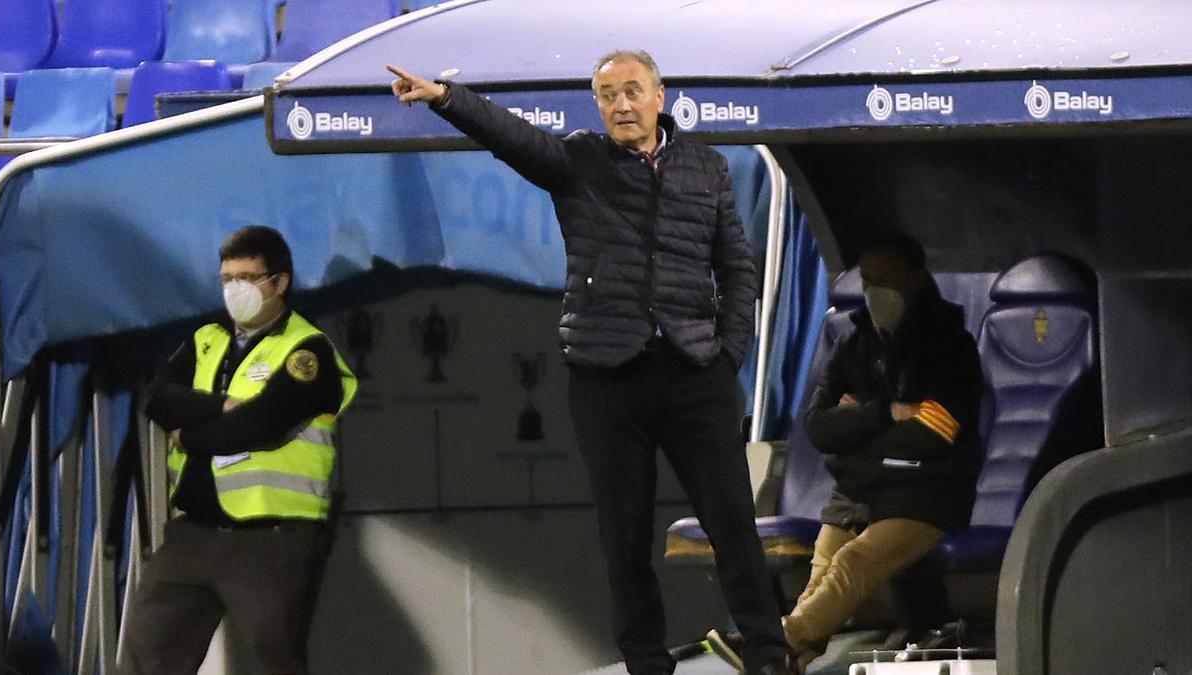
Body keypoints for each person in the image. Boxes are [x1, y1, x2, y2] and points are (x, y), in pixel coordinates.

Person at [387, 50, 790, 675]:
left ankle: (768, 656)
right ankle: (646, 663)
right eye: (607, 95)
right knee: (623, 538)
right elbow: (511, 136)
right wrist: (446, 97)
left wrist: (727, 353)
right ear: (596, 105)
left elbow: (736, 268)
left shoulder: (707, 166)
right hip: (607, 376)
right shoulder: (578, 161)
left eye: (632, 91)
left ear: (661, 95)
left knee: (733, 523)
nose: (621, 105)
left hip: (694, 373)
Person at [124, 226, 357, 675]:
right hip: (193, 532)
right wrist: (220, 406)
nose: (235, 290)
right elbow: (156, 399)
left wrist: (189, 435)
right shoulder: (206, 340)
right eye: (227, 278)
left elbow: (258, 426)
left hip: (271, 540)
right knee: (147, 649)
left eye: (247, 278)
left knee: (275, 658)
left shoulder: (306, 352)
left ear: (279, 283)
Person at [782, 233, 983, 672]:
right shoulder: (853, 342)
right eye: (868, 280)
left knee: (851, 562)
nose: (875, 292)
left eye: (886, 279)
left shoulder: (950, 346)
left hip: (926, 498)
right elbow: (818, 428)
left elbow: (937, 431)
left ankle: (779, 642)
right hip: (858, 495)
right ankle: (789, 657)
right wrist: (888, 413)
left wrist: (854, 433)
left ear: (916, 278)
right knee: (821, 576)